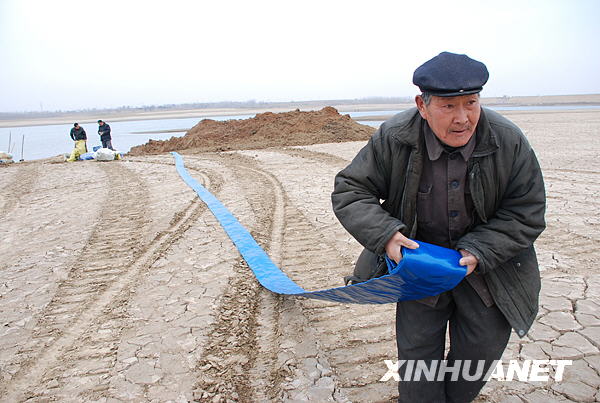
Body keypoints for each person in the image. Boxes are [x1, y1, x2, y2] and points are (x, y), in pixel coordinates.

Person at [331, 52, 546, 402]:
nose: (463, 118)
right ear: (422, 104)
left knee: (477, 359)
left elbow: (527, 211)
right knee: (418, 366)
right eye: (448, 106)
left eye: (471, 103)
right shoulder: (394, 138)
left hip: (487, 272)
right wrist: (386, 236)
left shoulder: (508, 141)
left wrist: (480, 249)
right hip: (418, 270)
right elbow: (351, 190)